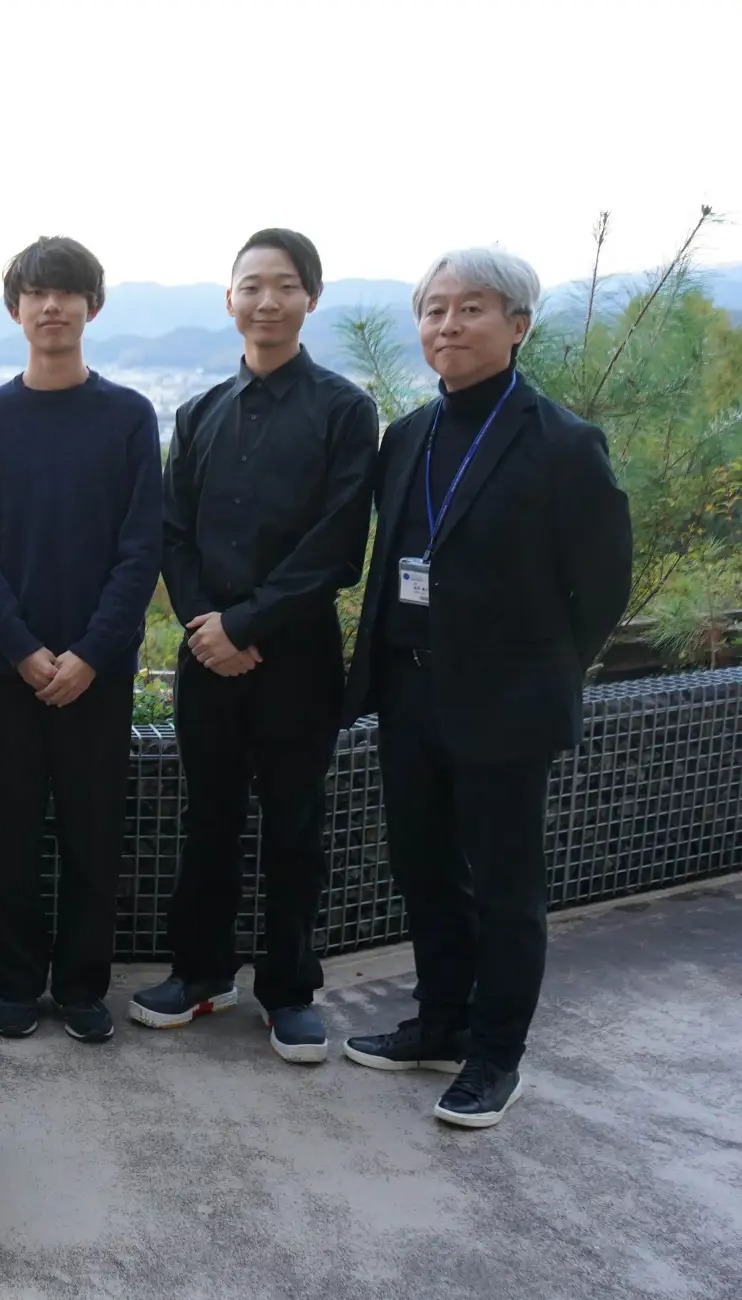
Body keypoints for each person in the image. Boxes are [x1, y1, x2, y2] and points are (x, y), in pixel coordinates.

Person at [341, 248, 631, 1127]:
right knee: (423, 869)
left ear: (518, 326)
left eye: (471, 308)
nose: (448, 325)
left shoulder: (563, 443)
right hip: (409, 692)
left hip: (505, 705)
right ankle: (441, 1022)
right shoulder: (408, 436)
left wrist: (538, 672)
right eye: (434, 309)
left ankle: (497, 1055)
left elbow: (602, 587)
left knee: (507, 890)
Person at [129, 229, 379, 1064]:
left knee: (295, 825)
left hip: (297, 656)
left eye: (284, 285)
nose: (266, 300)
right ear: (229, 299)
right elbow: (172, 533)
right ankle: (201, 973)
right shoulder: (199, 411)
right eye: (251, 285)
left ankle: (289, 990)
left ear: (311, 297)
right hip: (208, 654)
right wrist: (207, 624)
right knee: (208, 819)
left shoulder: (345, 410)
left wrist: (247, 625)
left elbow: (338, 545)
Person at [0, 236, 163, 1044]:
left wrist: (91, 653)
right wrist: (20, 648)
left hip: (98, 673)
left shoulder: (128, 416)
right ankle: (14, 981)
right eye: (37, 294)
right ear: (16, 310)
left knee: (92, 832)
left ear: (92, 307)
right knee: (8, 831)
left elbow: (141, 549)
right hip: (12, 670)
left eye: (66, 293)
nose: (51, 307)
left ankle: (82, 986)